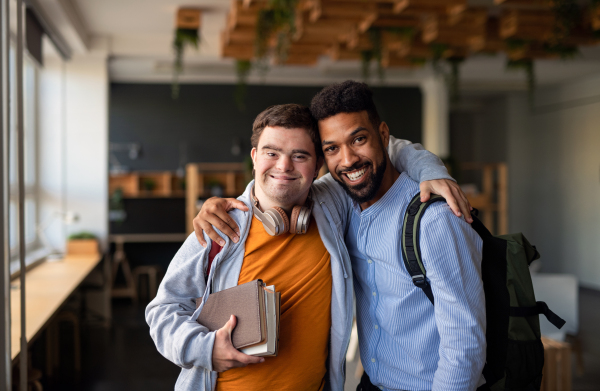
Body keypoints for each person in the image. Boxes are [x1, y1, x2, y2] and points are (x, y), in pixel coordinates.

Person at [147, 101, 467, 391]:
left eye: (299, 156)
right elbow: (162, 312)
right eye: (272, 152)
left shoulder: (332, 205)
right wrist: (203, 349)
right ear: (255, 157)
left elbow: (382, 146)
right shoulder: (219, 227)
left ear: (318, 168)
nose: (284, 166)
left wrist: (431, 171)